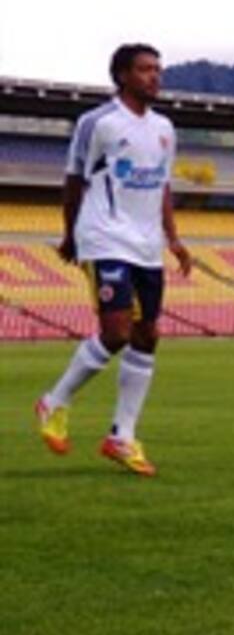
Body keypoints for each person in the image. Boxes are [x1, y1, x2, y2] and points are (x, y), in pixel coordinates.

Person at [35, 43, 191, 477]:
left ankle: (122, 435)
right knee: (117, 330)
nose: (155, 77)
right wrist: (70, 235)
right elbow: (73, 180)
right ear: (123, 75)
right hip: (104, 237)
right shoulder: (97, 123)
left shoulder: (164, 128)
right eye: (145, 69)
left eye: (158, 69)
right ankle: (54, 402)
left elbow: (161, 185)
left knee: (148, 335)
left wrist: (173, 239)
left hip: (146, 245)